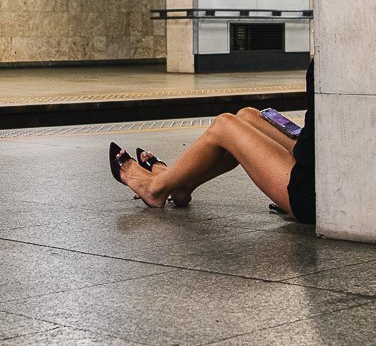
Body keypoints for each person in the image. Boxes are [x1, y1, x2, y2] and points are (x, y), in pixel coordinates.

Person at [108, 60, 315, 225]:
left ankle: (155, 189)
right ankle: (182, 186)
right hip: (319, 159)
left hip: (312, 192)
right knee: (247, 116)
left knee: (224, 125)